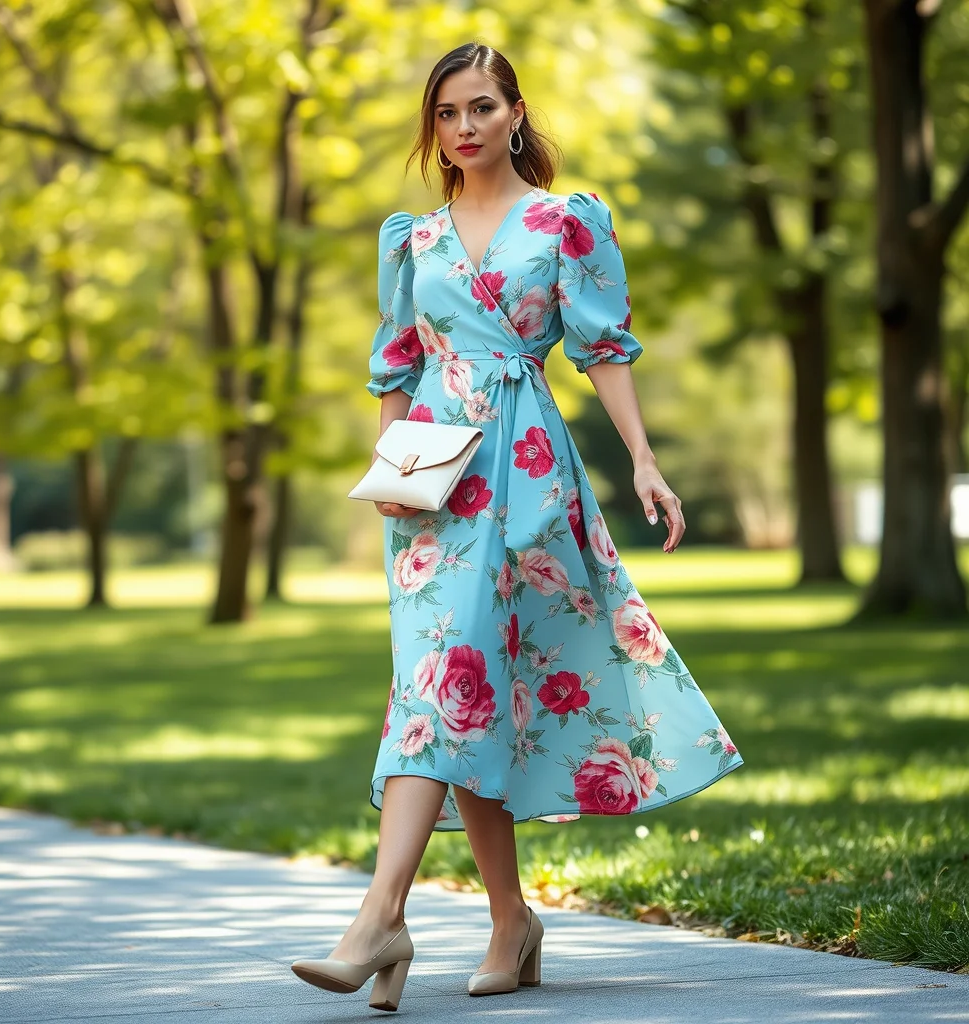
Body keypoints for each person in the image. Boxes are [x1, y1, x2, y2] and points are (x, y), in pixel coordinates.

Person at [291, 42, 744, 1012]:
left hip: (527, 472)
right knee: (451, 682)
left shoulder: (563, 222)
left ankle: (385, 919)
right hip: (431, 482)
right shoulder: (410, 241)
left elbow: (603, 348)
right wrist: (390, 477)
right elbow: (393, 364)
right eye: (448, 112)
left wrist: (643, 458)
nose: (464, 127)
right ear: (434, 126)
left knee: (460, 679)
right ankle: (496, 919)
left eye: (482, 107)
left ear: (514, 112)